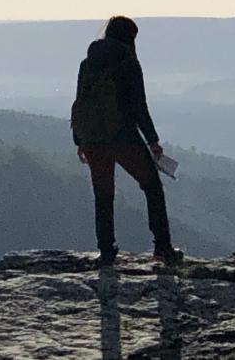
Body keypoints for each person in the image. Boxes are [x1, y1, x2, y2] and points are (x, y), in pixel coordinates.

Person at [71, 16, 183, 266]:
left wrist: (79, 139)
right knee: (152, 186)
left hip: (92, 140)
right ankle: (162, 248)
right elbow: (138, 106)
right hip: (122, 137)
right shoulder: (128, 63)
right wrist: (153, 141)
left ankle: (107, 252)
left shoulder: (87, 63)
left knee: (103, 195)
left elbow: (79, 102)